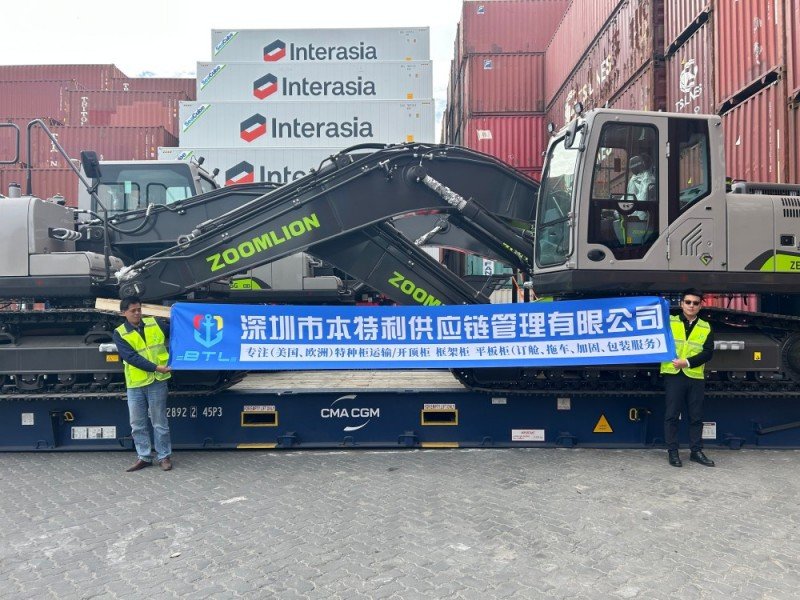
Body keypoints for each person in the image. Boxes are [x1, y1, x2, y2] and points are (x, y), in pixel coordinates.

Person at [113, 295, 173, 472]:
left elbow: (178, 331)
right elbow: (131, 358)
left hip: (157, 382)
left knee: (159, 422)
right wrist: (156, 367)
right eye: (133, 311)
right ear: (124, 313)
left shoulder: (155, 324)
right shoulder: (120, 333)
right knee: (137, 424)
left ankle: (164, 457)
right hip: (136, 384)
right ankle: (144, 457)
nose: (137, 313)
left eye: (139, 309)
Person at [660, 289, 715, 467]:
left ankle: (696, 451)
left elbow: (708, 353)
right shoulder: (669, 321)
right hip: (673, 375)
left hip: (694, 375)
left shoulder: (706, 326)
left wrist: (687, 362)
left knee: (696, 416)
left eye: (695, 303)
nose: (691, 306)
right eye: (688, 302)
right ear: (682, 303)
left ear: (700, 306)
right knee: (672, 416)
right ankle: (673, 452)